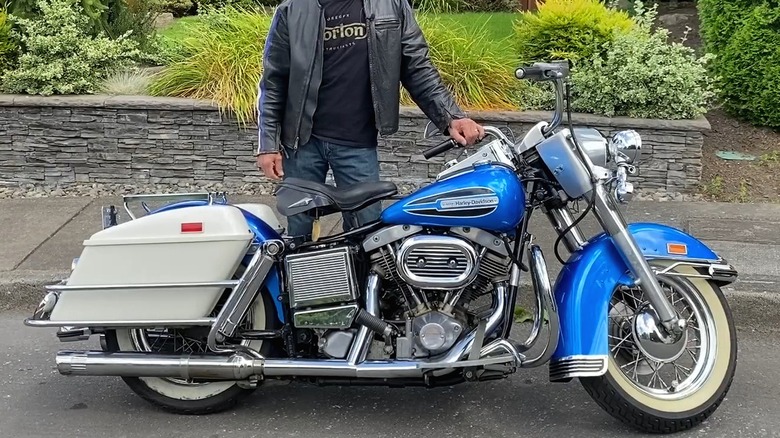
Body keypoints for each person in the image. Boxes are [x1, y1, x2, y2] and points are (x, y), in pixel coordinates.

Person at [255, 0, 485, 239]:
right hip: (301, 145)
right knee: (299, 237)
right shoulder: (292, 9)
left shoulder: (391, 5)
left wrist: (452, 117)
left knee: (367, 236)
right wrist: (268, 144)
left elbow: (417, 67)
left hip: (357, 143)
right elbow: (273, 82)